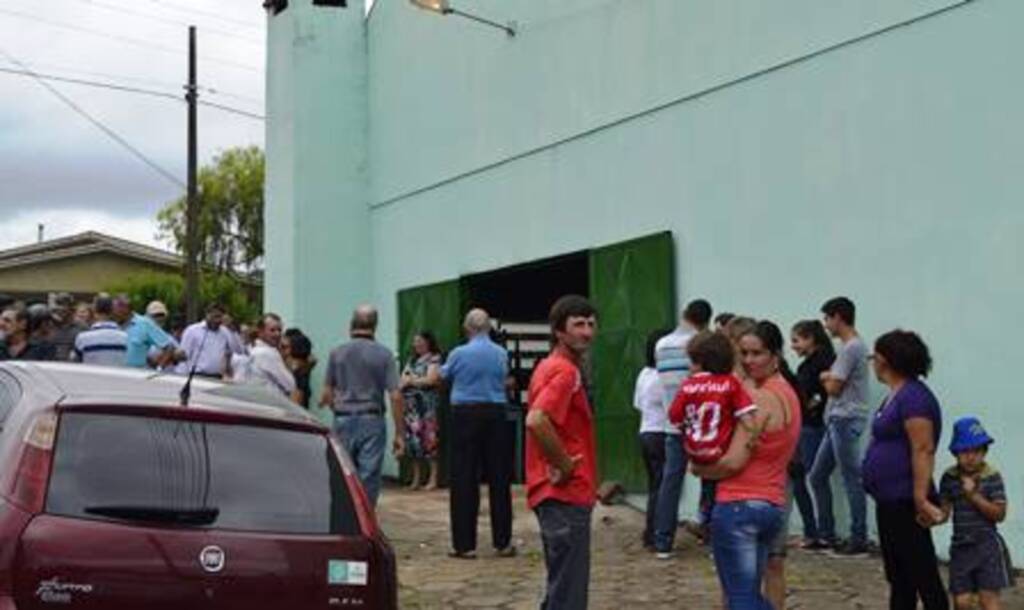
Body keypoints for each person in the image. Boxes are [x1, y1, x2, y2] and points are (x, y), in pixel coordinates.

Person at [691, 320, 801, 610]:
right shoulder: (786, 392)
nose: (749, 360)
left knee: (741, 599)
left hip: (739, 504)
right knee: (747, 592)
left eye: (757, 353)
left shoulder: (757, 399)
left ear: (775, 355)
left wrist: (700, 469)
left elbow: (733, 462)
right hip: (771, 502)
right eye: (744, 353)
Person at [861, 329, 948, 609]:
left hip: (906, 499)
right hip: (889, 499)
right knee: (899, 576)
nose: (872, 362)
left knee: (922, 572)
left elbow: (923, 448)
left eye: (874, 357)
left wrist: (920, 497)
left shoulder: (914, 398)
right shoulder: (895, 396)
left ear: (885, 360)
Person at [525, 295, 598, 610]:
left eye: (591, 324)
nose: (587, 332)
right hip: (565, 492)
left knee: (561, 586)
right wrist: (564, 464)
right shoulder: (565, 372)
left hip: (552, 492)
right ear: (559, 331)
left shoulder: (547, 366)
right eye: (578, 324)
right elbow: (536, 420)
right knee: (569, 593)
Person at [440, 309, 514, 559]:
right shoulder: (501, 353)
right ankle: (502, 541)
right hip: (495, 412)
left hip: (465, 413)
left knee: (464, 477)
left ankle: (464, 544)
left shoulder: (458, 353)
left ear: (467, 328)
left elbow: (444, 375)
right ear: (489, 328)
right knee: (499, 477)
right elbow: (505, 378)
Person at [320, 305, 405, 507]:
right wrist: (400, 434)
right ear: (375, 325)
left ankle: (342, 515)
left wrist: (339, 410)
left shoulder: (337, 353)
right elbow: (395, 396)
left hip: (343, 417)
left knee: (343, 474)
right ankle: (364, 518)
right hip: (372, 419)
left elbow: (327, 393)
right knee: (368, 476)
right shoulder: (384, 355)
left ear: (352, 324)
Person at [808, 296, 870, 555]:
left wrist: (825, 376)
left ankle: (858, 536)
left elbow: (834, 387)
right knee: (817, 475)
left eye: (827, 318)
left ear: (838, 317)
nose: (825, 325)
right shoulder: (852, 347)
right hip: (838, 419)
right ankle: (827, 533)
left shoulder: (851, 348)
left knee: (851, 478)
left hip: (846, 418)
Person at [652, 298, 712, 559]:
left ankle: (663, 541)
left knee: (670, 482)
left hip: (673, 423)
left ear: (684, 315)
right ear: (706, 320)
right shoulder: (703, 344)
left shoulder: (661, 344)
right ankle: (710, 535)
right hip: (703, 425)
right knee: (711, 480)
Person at [937, 417, 1012, 610]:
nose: (970, 457)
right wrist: (929, 516)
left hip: (987, 548)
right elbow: (943, 513)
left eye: (976, 451)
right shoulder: (949, 477)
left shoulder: (991, 476)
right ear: (955, 453)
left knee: (988, 601)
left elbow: (999, 514)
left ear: (984, 451)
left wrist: (973, 496)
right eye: (964, 451)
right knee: (961, 602)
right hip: (961, 547)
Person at [789, 320, 835, 546]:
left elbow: (821, 395)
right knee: (802, 477)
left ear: (810, 339)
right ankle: (814, 530)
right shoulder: (809, 364)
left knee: (813, 477)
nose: (793, 346)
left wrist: (808, 407)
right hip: (806, 425)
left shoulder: (821, 363)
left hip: (813, 426)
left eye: (796, 340)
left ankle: (822, 531)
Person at [633, 330, 667, 549]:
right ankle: (656, 533)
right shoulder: (662, 377)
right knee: (662, 486)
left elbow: (637, 404)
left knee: (655, 485)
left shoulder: (644, 374)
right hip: (660, 432)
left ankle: (651, 531)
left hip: (646, 430)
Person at [400, 331, 443, 491]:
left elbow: (431, 380)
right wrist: (415, 381)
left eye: (419, 341)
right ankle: (416, 479)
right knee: (414, 442)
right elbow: (402, 381)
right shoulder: (411, 360)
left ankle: (433, 478)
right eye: (415, 341)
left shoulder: (434, 359)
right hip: (411, 408)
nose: (416, 344)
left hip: (427, 407)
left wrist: (412, 380)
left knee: (430, 440)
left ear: (428, 342)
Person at [114, 295, 177, 369]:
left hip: (136, 374)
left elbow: (169, 347)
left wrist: (159, 369)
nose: (114, 313)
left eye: (116, 310)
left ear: (126, 309)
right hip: (112, 373)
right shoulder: (112, 325)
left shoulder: (144, 324)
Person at [245, 313, 299, 400]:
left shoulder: (255, 350)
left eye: (280, 330)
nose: (277, 334)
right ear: (261, 332)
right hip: (270, 403)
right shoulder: (267, 353)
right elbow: (290, 385)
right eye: (272, 330)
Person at [176, 303, 233, 378]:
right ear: (207, 314)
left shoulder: (225, 332)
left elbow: (234, 351)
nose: (217, 320)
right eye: (215, 316)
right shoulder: (192, 330)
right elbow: (184, 355)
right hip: (197, 375)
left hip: (217, 376)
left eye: (220, 317)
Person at [70, 296, 127, 366]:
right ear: (113, 311)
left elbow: (75, 365)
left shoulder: (82, 338)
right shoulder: (125, 337)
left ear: (94, 311)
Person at [283, 328, 316, 408]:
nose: (281, 350)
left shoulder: (298, 376)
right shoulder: (298, 371)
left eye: (285, 347)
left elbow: (294, 407)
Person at [50, 293, 84, 361]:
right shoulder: (49, 326)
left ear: (71, 309)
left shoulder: (81, 327)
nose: (60, 309)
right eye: (58, 305)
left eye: (64, 305)